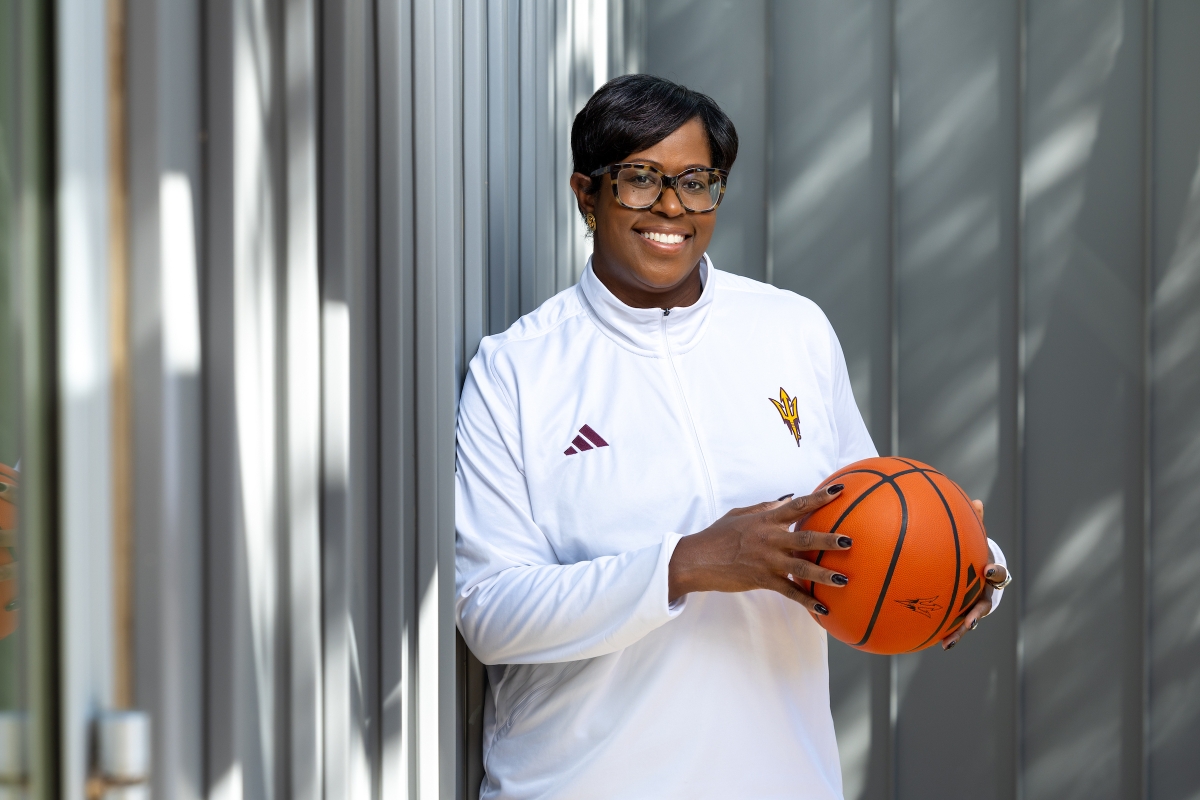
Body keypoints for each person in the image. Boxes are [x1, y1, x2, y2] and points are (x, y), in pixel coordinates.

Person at [455, 74, 1011, 799]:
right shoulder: (517, 371)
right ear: (586, 194)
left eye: (696, 181)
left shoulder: (791, 329)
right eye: (639, 179)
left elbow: (874, 526)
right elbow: (490, 613)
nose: (671, 207)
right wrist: (685, 564)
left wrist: (971, 567)